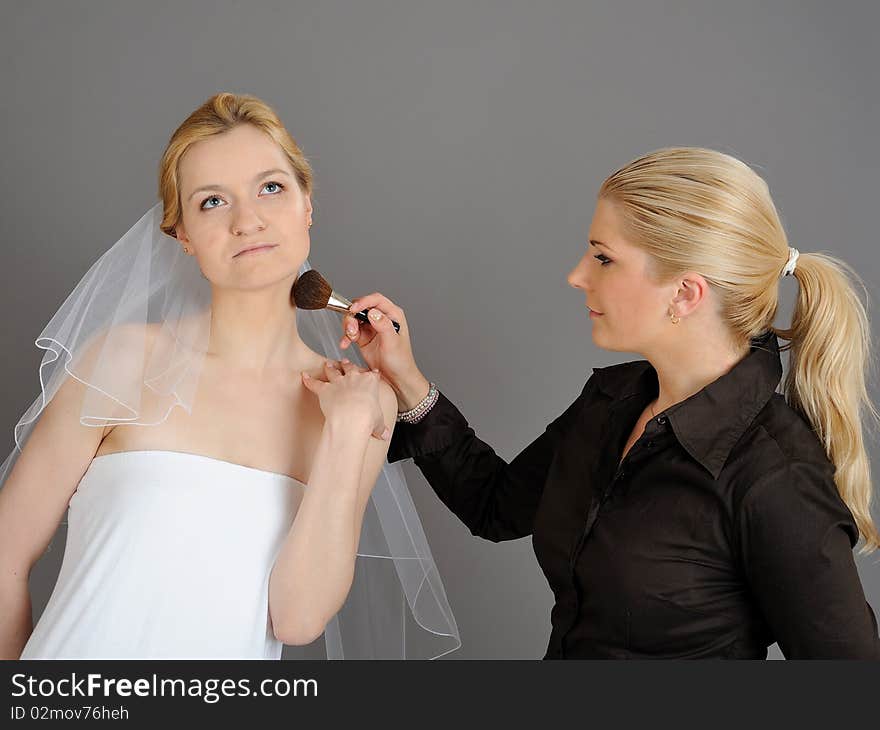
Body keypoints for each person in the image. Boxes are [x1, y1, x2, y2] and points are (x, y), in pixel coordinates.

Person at [339, 147, 880, 659]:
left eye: (603, 258)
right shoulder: (612, 402)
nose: (577, 275)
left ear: (685, 293)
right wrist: (405, 379)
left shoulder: (775, 476)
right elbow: (495, 506)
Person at [0, 92, 459, 660]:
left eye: (271, 188)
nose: (248, 221)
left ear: (306, 204)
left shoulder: (358, 404)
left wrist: (346, 432)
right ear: (182, 233)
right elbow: (5, 558)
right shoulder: (118, 362)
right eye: (213, 201)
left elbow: (297, 618)